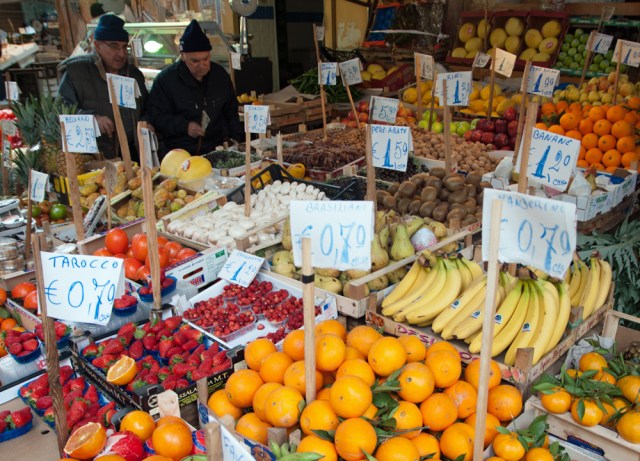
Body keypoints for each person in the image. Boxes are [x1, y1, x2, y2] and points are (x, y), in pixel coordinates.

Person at [146, 19, 243, 156]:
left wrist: (235, 139)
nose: (202, 65)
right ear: (183, 56)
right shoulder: (166, 80)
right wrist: (185, 126)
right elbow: (156, 117)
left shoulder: (220, 75)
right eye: (195, 61)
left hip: (217, 149)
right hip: (181, 153)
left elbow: (231, 109)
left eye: (206, 59)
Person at [58, 14, 147, 160]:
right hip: (93, 158)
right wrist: (93, 119)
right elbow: (59, 112)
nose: (121, 53)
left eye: (124, 47)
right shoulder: (76, 71)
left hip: (132, 156)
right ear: (97, 45)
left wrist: (147, 122)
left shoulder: (133, 74)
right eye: (114, 46)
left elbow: (147, 108)